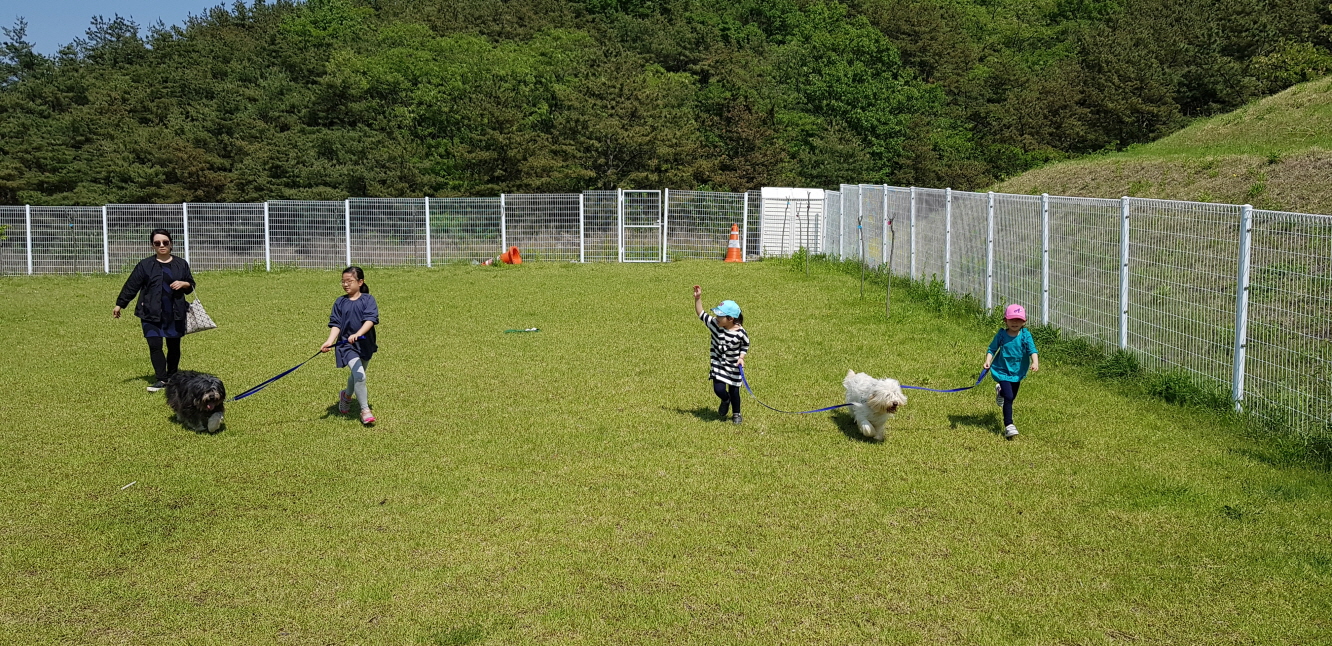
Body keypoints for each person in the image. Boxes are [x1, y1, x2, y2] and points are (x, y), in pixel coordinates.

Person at [113, 229, 197, 392]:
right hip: (150, 312)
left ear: (171, 243)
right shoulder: (145, 265)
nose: (162, 245)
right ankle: (161, 379)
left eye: (165, 242)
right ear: (152, 246)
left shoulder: (181, 264)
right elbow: (132, 285)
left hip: (174, 312)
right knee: (155, 344)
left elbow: (191, 284)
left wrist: (184, 284)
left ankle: (172, 377)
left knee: (173, 346)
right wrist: (120, 304)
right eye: (157, 243)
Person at [320, 266, 379, 425]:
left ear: (360, 282)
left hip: (365, 344)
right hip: (346, 345)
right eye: (343, 281)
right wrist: (329, 341)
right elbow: (336, 324)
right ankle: (365, 410)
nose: (345, 284)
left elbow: (370, 320)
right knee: (360, 375)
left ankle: (346, 396)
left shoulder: (368, 300)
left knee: (356, 375)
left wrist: (359, 333)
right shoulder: (340, 302)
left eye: (349, 281)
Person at [693, 285, 749, 424]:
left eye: (720, 316)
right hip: (718, 364)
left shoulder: (741, 333)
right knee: (718, 389)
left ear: (730, 318)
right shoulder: (715, 325)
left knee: (735, 391)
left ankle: (736, 414)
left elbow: (745, 345)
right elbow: (701, 314)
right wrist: (698, 298)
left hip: (734, 366)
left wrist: (741, 358)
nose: (716, 318)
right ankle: (725, 399)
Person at [983, 304, 1039, 439]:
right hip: (1002, 370)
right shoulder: (1002, 335)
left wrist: (1035, 362)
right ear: (1005, 320)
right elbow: (992, 349)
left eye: (1018, 320)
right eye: (1011, 319)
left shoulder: (1025, 335)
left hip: (1017, 372)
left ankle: (1000, 391)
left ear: (1024, 321)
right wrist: (988, 361)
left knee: (1011, 396)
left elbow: (1032, 350)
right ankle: (1009, 425)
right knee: (1009, 397)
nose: (1015, 323)